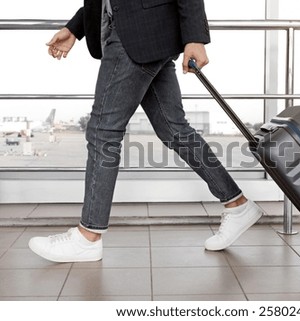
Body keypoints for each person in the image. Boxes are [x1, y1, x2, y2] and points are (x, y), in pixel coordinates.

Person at [28, 0, 263, 262]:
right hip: (148, 35)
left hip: (134, 36)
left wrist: (195, 37)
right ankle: (237, 204)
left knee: (102, 132)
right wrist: (75, 28)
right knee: (175, 130)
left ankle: (88, 236)